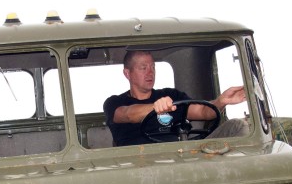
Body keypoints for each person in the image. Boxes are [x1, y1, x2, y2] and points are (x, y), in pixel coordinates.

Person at [103, 51, 247, 147]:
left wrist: (222, 101)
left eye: (153, 67)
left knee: (237, 126)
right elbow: (128, 114)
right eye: (143, 67)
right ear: (127, 73)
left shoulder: (172, 95)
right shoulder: (114, 102)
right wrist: (155, 107)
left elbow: (204, 112)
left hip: (181, 155)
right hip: (140, 164)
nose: (150, 72)